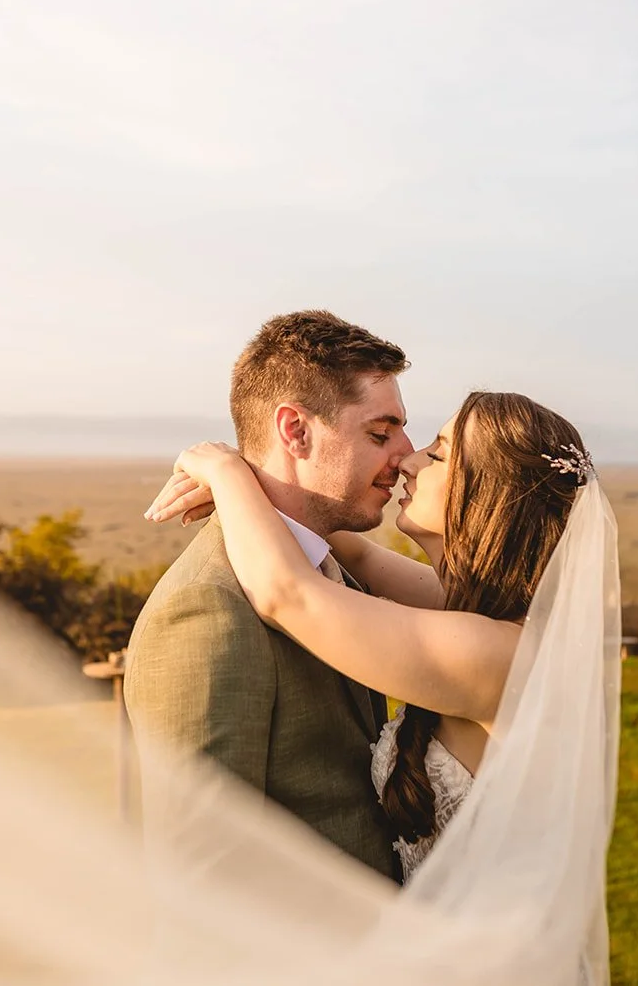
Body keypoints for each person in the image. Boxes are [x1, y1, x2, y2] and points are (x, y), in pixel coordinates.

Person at [145, 389, 601, 883]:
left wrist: (225, 471)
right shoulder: (492, 615)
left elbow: (287, 594)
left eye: (439, 453)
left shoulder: (496, 656)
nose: (408, 459)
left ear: (487, 496)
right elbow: (354, 553)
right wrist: (264, 473)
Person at [123, 310, 413, 881]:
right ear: (296, 431)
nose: (403, 454)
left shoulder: (337, 568)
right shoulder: (206, 609)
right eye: (379, 434)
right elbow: (202, 875)